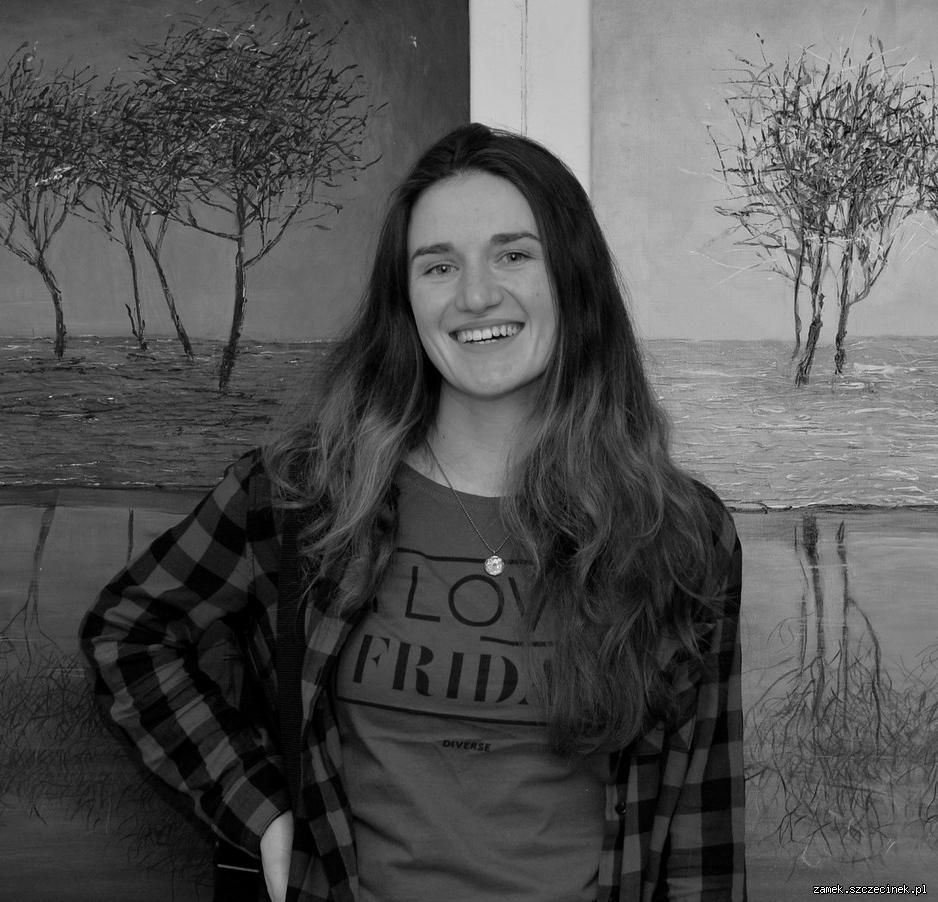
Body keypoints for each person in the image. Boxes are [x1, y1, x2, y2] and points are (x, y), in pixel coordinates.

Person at [80, 123, 746, 902]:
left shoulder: (679, 533)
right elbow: (129, 634)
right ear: (407, 301)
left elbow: (701, 831)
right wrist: (260, 809)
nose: (475, 295)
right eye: (438, 266)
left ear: (574, 278)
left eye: (513, 255)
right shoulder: (302, 500)